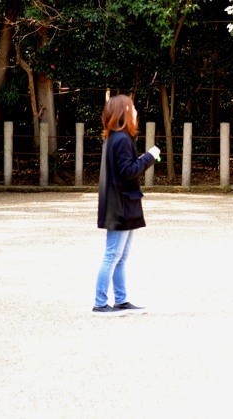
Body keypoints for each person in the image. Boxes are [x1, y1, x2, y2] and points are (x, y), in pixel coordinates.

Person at [93, 94, 160, 315]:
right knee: (112, 255)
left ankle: (121, 300)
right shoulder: (121, 140)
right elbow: (128, 171)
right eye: (132, 108)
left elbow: (126, 168)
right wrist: (149, 157)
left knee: (119, 256)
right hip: (121, 205)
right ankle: (100, 303)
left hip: (123, 204)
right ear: (124, 113)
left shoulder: (116, 139)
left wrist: (142, 159)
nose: (136, 112)